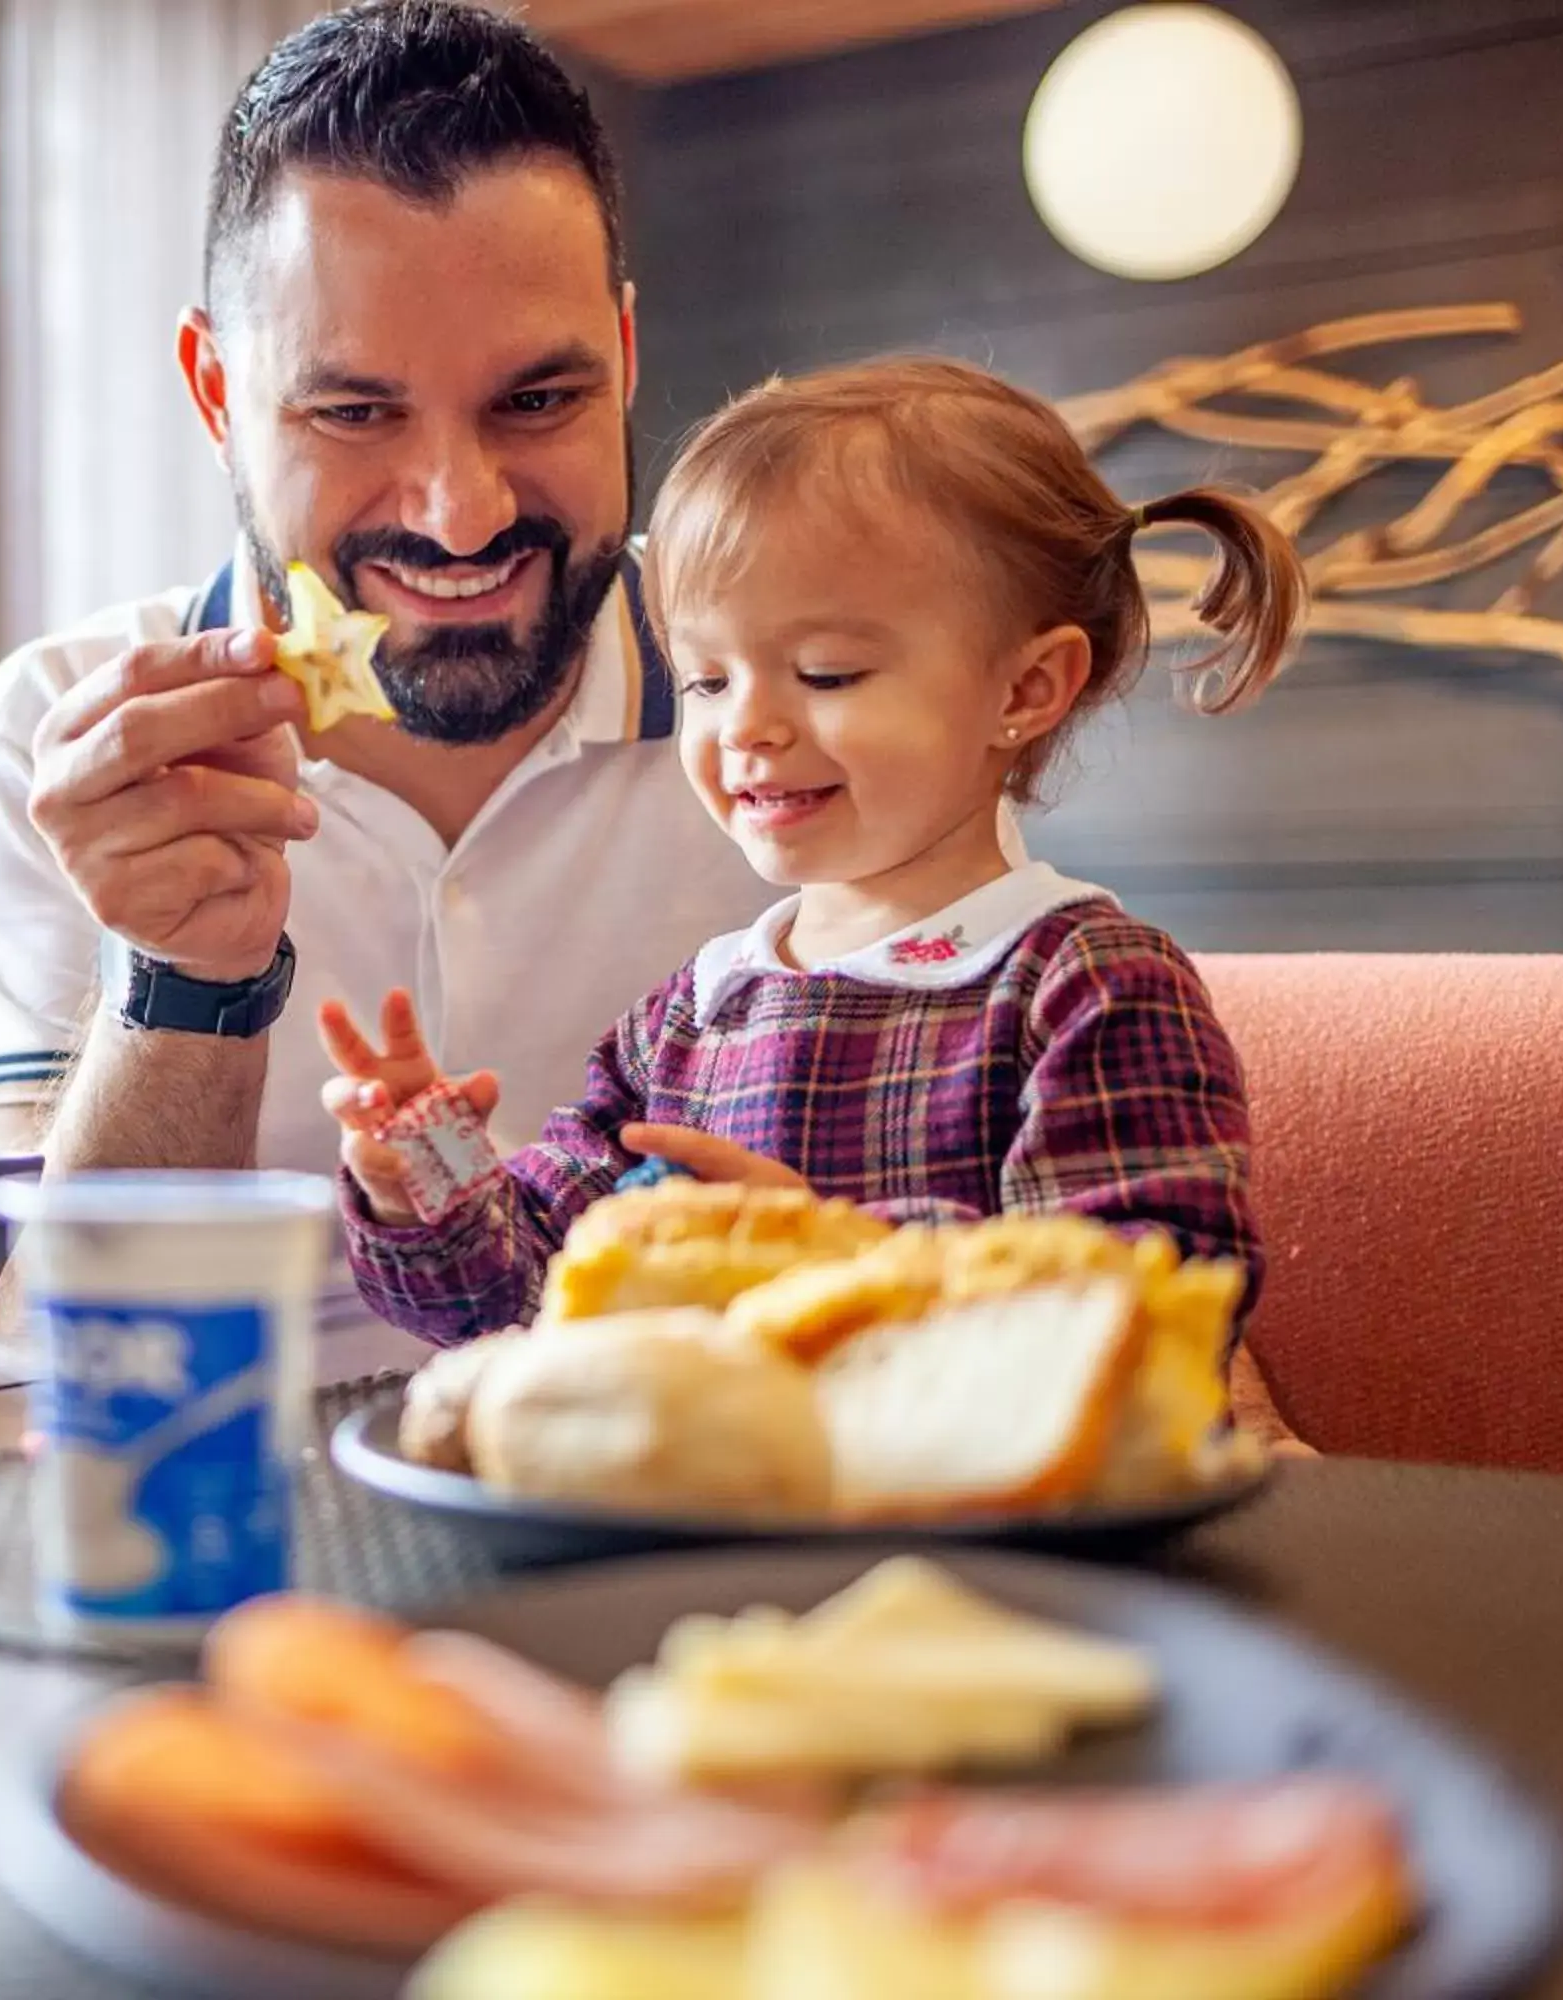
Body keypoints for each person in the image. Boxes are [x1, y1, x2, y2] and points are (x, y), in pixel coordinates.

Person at [0, 2, 785, 1188]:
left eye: (536, 402)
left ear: (625, 358)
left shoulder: (817, 693)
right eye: (355, 411)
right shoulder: (63, 737)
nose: (462, 513)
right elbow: (31, 1309)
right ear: (217, 392)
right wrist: (187, 980)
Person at [320, 359, 1302, 1344]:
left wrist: (838, 1256)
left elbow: (1155, 1304)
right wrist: (430, 1168)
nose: (747, 725)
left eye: (825, 672)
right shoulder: (688, 1023)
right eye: (706, 681)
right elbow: (521, 1291)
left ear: (1026, 688)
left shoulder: (1081, 984)